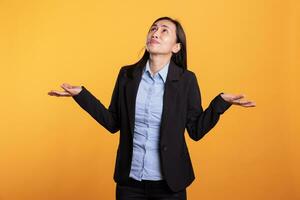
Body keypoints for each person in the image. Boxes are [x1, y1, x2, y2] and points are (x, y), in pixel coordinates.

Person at [48, 16, 256, 200]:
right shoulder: (127, 75)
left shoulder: (186, 80)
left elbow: (196, 131)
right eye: (153, 29)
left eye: (164, 30)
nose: (156, 32)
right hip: (130, 183)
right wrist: (82, 96)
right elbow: (113, 122)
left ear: (176, 47)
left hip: (170, 185)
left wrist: (220, 103)